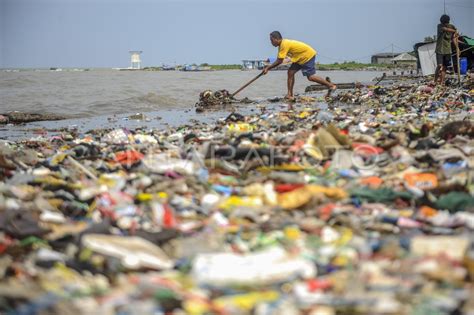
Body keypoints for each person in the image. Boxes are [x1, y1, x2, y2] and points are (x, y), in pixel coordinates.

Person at [262, 31, 336, 101]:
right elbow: (280, 59)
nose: (271, 42)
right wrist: (268, 68)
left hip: (307, 56)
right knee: (290, 72)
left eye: (271, 40)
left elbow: (279, 61)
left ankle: (331, 86)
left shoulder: (284, 44)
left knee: (310, 77)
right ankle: (290, 95)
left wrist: (268, 68)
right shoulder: (282, 45)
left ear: (277, 39)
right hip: (299, 58)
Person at [434, 14, 458, 86]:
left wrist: (457, 48)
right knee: (439, 65)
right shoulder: (440, 26)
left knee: (444, 67)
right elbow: (445, 29)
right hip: (440, 50)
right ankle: (435, 80)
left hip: (448, 50)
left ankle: (441, 82)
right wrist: (455, 31)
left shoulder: (452, 27)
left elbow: (453, 38)